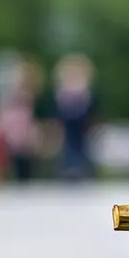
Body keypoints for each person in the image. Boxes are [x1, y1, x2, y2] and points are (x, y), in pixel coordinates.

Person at [52, 53, 97, 182]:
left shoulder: (84, 93)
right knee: (69, 146)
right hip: (69, 126)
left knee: (80, 147)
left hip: (81, 126)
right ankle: (71, 169)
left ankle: (79, 169)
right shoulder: (64, 93)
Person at [0, 58, 42, 183]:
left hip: (23, 127)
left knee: (25, 156)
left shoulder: (29, 92)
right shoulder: (10, 91)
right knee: (12, 156)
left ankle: (25, 179)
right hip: (13, 126)